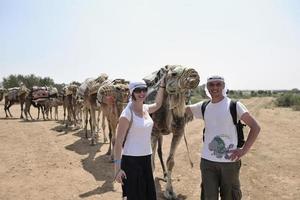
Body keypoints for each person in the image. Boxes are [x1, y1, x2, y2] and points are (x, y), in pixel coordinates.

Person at [185, 75, 261, 200]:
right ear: (207, 88)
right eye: (211, 85)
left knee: (230, 196)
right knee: (209, 196)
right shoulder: (203, 106)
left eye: (218, 84)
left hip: (229, 163)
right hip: (207, 162)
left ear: (223, 86)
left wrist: (243, 150)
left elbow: (255, 127)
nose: (215, 87)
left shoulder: (234, 105)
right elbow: (182, 109)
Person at [114, 77, 165, 200]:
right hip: (131, 161)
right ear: (132, 93)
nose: (142, 93)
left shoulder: (146, 108)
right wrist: (117, 170)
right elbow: (118, 142)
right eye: (138, 91)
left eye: (144, 90)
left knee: (148, 195)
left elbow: (158, 104)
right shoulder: (127, 115)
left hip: (146, 159)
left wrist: (162, 86)